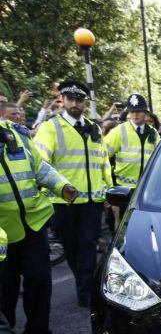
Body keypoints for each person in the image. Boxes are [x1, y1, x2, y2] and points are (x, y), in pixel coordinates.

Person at [33, 81, 113, 308]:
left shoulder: (94, 128)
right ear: (63, 100)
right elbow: (41, 164)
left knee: (87, 244)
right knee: (71, 246)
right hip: (63, 200)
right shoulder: (51, 127)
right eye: (71, 99)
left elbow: (103, 161)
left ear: (85, 102)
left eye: (79, 100)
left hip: (92, 200)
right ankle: (83, 282)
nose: (75, 103)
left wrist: (109, 189)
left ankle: (85, 292)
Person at [1, 116, 78, 333]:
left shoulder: (15, 133)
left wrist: (62, 186)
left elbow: (40, 168)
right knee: (5, 290)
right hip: (2, 233)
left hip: (33, 225)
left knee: (40, 283)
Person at [105, 94, 158, 191]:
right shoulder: (119, 130)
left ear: (145, 113)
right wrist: (108, 185)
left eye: (138, 111)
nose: (135, 114)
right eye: (132, 111)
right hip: (122, 188)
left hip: (147, 189)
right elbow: (102, 156)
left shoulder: (154, 133)